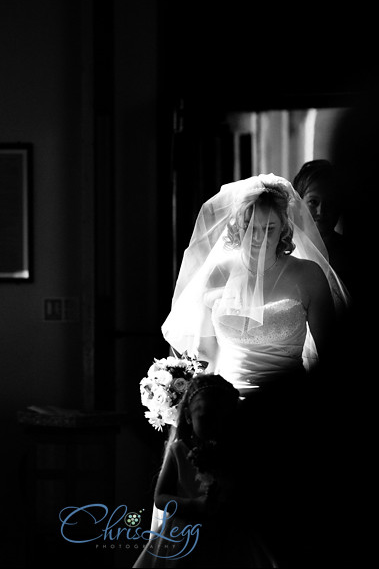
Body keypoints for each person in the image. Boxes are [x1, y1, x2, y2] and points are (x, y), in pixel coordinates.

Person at [158, 172, 350, 563]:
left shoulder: (307, 275)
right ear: (239, 226)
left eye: (270, 227)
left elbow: (331, 357)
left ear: (284, 227)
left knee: (274, 521)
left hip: (287, 410)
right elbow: (208, 355)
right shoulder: (218, 273)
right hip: (223, 413)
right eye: (252, 228)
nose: (260, 237)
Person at [134, 374, 275, 568]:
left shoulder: (238, 453)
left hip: (230, 535)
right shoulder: (179, 451)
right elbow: (161, 498)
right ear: (188, 417)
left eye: (225, 419)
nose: (217, 426)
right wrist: (194, 505)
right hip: (185, 536)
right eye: (207, 418)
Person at [292, 159, 352, 289]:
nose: (321, 211)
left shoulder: (351, 254)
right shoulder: (286, 250)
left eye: (330, 203)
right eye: (313, 202)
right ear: (299, 204)